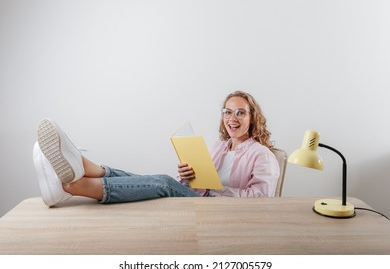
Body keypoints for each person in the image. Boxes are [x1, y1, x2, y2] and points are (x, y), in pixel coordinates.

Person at [32, 91, 280, 207]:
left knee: (161, 182)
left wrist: (216, 191)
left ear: (252, 118)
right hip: (200, 197)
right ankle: (84, 170)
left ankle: (76, 184)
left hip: (217, 210)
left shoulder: (262, 155)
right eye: (227, 112)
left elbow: (263, 200)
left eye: (240, 112)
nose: (232, 118)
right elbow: (201, 183)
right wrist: (189, 176)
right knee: (147, 180)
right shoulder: (219, 147)